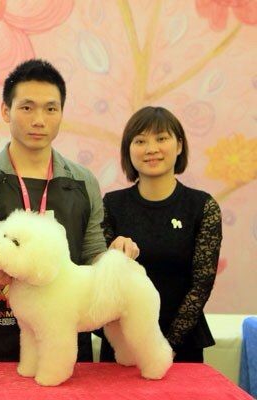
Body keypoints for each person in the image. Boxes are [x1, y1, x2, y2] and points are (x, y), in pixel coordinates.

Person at [0, 59, 139, 362]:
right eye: (27, 107)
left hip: (66, 335)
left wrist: (115, 260)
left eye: (51, 109)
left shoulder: (83, 181)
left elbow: (92, 253)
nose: (39, 120)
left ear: (61, 113)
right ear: (5, 111)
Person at [99, 106, 222, 363]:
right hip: (123, 344)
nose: (151, 149)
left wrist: (166, 346)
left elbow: (201, 284)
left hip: (181, 344)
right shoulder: (111, 204)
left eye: (161, 138)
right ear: (128, 149)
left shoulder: (202, 206)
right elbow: (100, 275)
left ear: (179, 145)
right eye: (140, 141)